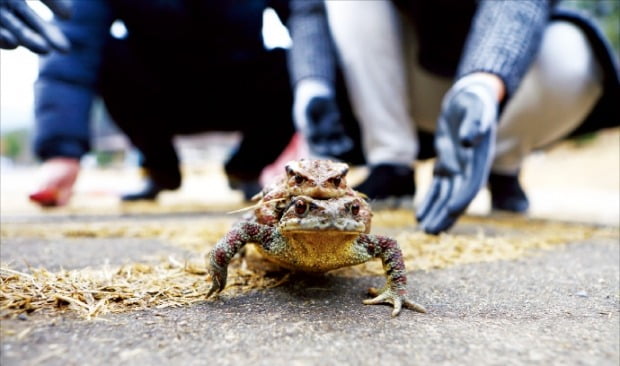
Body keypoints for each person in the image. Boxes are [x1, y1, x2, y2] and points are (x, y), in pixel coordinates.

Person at [298, 0, 619, 234]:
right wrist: (312, 86)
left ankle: (502, 162)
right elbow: (307, 9)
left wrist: (484, 81)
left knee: (572, 57)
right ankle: (391, 161)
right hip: (407, 75)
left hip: (511, 76)